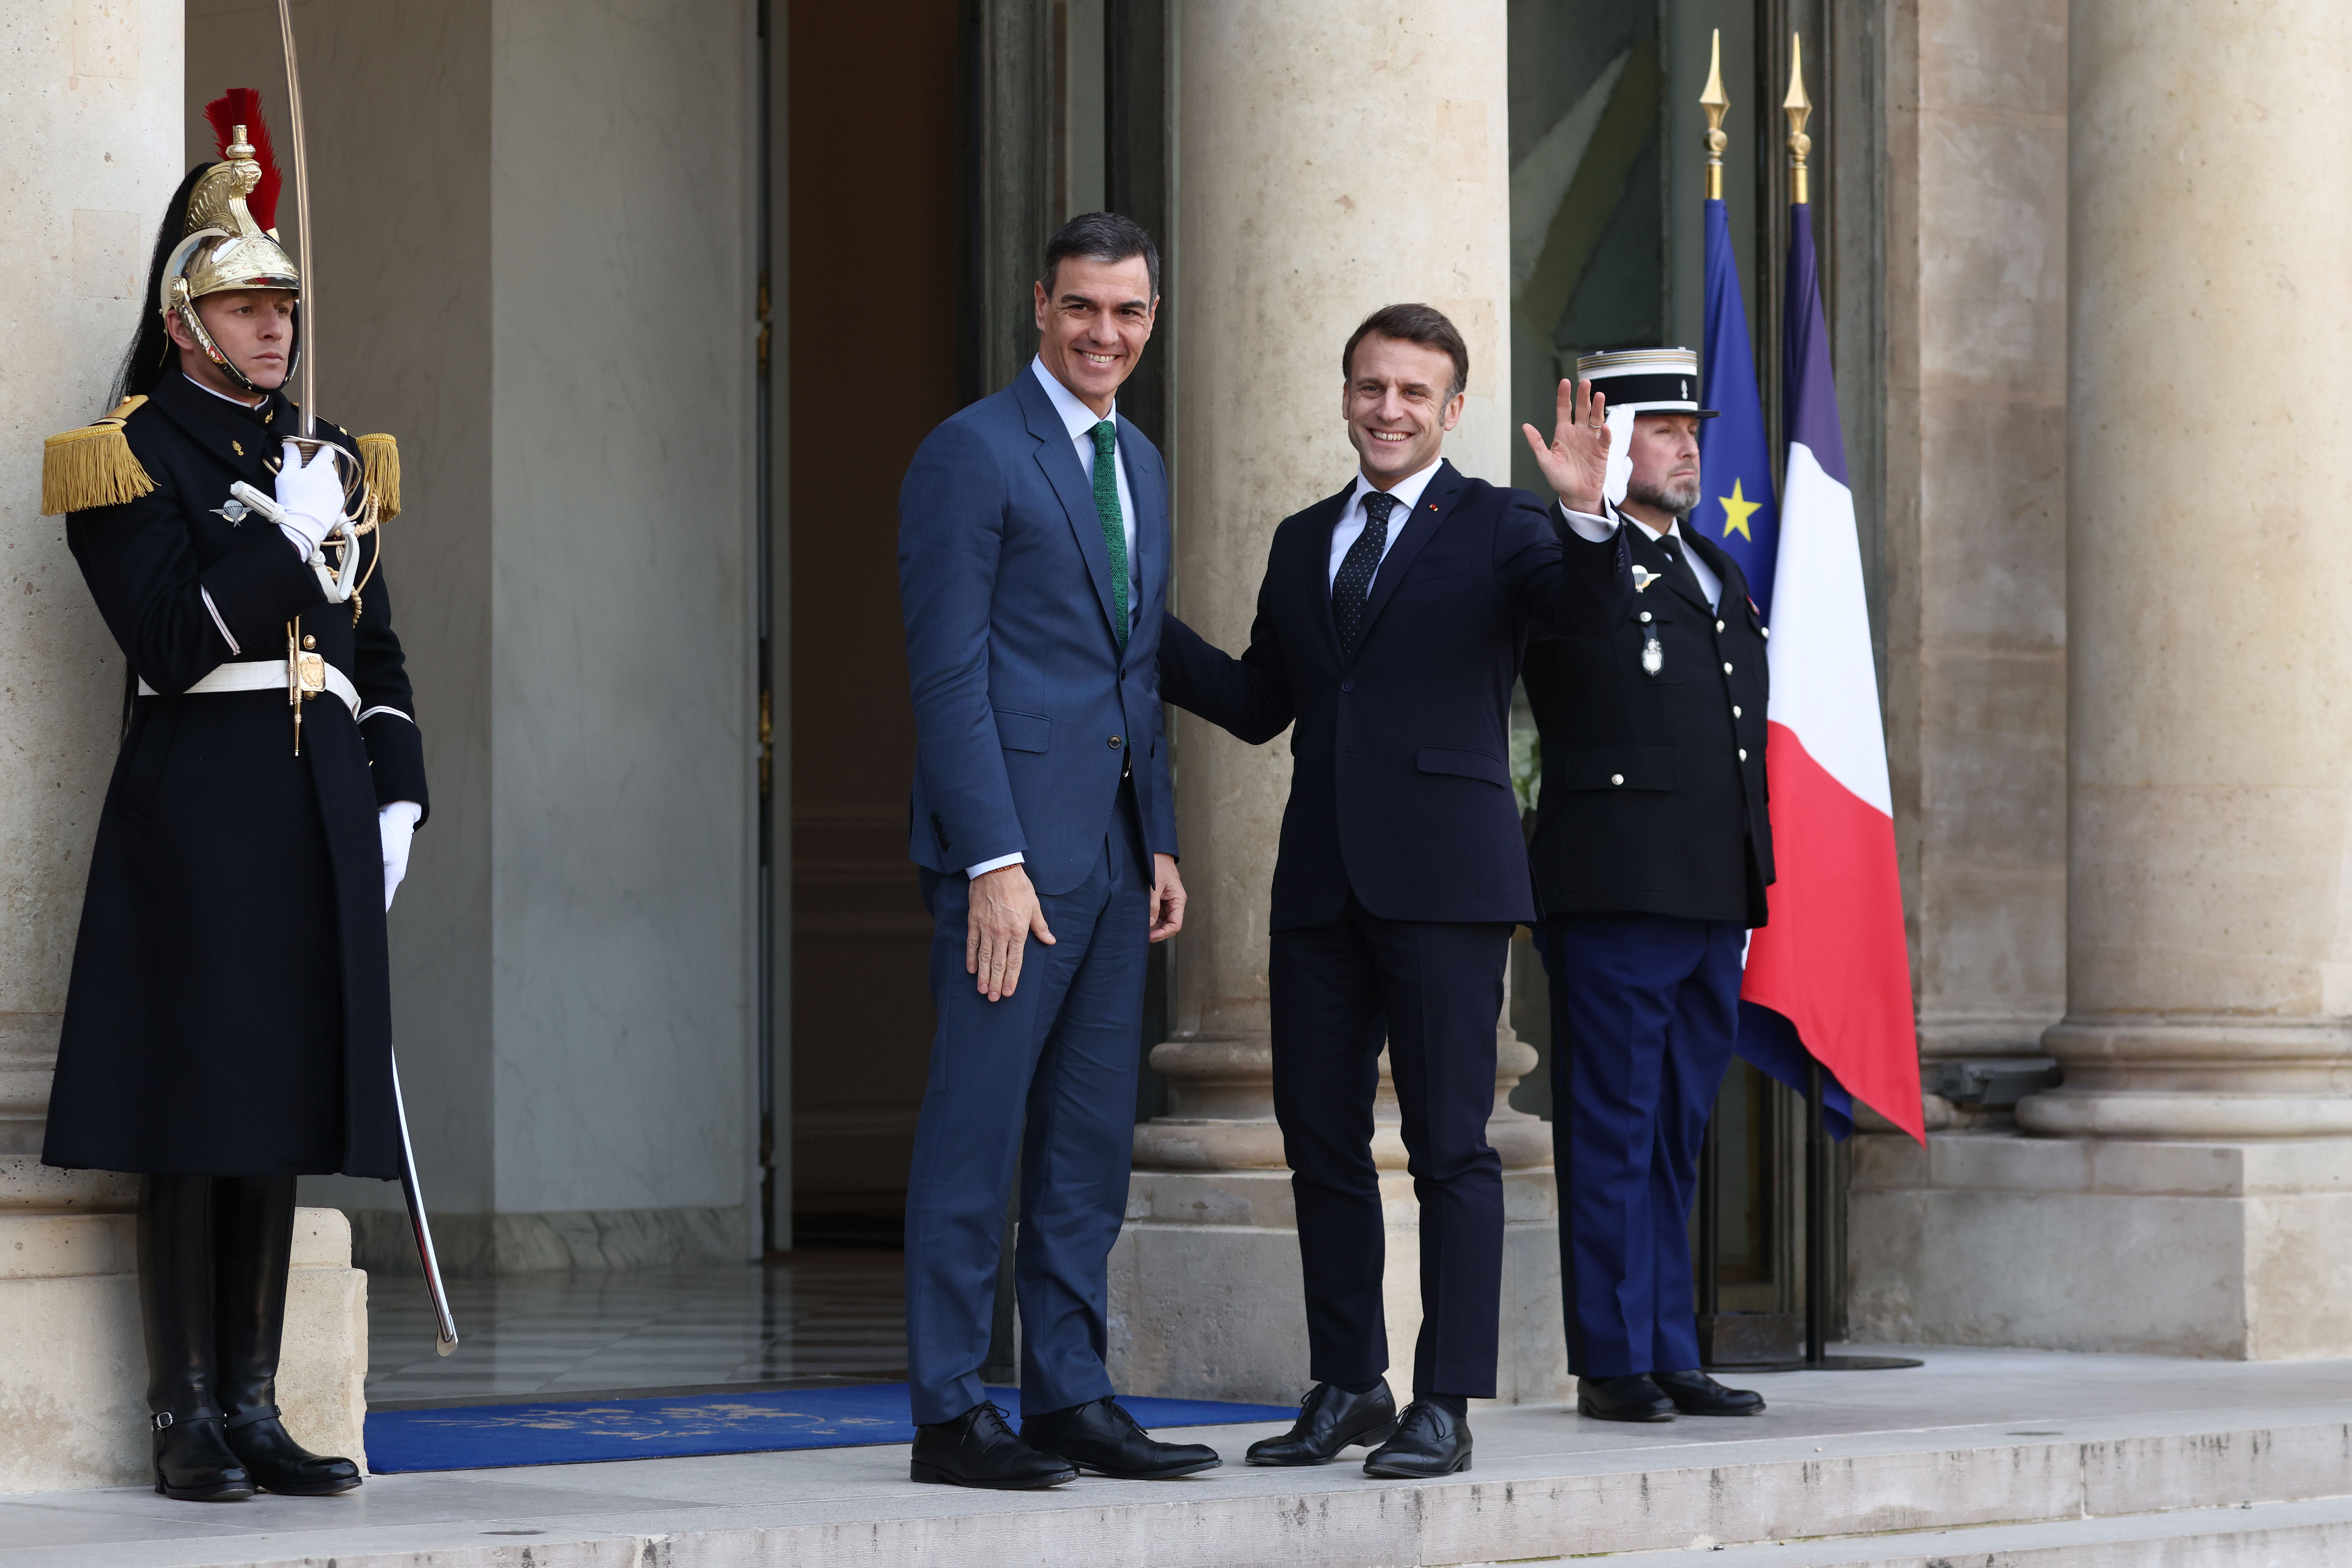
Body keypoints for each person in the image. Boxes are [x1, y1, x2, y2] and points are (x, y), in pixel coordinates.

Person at [1156, 304, 1622, 1479]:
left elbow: (1583, 626)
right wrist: (1138, 631)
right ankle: (1350, 1383)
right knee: (1316, 1141)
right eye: (1371, 387)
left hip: (1447, 885)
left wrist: (1584, 516)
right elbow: (1264, 702)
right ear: (1347, 395)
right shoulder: (1303, 534)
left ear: (1452, 409)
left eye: (1414, 393)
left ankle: (1444, 1401)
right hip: (1319, 885)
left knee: (1449, 1144)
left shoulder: (1510, 525)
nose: (1388, 409)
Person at [37, 97, 426, 1501]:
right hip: (200, 799)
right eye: (247, 307)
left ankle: (259, 1400)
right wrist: (294, 541)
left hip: (315, 799)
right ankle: (185, 1410)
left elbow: (375, 649)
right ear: (188, 321)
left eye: (285, 307)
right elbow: (169, 632)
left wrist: (397, 793)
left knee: (278, 1106)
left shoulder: (321, 457)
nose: (275, 330)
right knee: (198, 1109)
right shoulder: (128, 453)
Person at [895, 212, 1212, 1490]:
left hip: (1116, 857)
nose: (1104, 333)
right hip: (1010, 867)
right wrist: (989, 859)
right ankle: (949, 1404)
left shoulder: (1136, 457)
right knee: (977, 1129)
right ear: (1040, 304)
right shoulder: (969, 454)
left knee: (1087, 1139)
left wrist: (1165, 838)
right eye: (1082, 307)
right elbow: (948, 673)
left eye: (1127, 312)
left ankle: (1068, 1389)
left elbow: (1128, 674)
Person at [1519, 347, 1770, 1422]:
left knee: (1674, 1131)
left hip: (1711, 892)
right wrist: (1580, 518)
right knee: (1612, 1127)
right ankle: (1612, 1357)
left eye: (1690, 427)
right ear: (1608, 441)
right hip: (1619, 892)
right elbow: (1564, 654)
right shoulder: (1570, 557)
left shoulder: (1713, 567)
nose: (1688, 444)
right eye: (1662, 428)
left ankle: (1670, 1342)